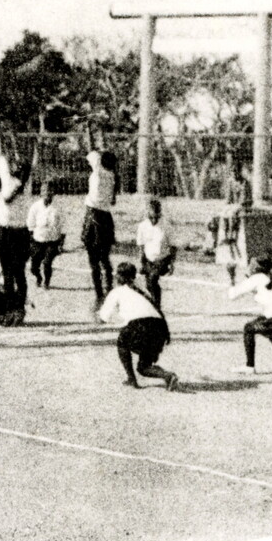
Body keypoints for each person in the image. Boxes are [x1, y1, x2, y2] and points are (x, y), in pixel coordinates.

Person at [99, 262, 179, 391]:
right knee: (144, 367)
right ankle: (168, 375)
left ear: (118, 276)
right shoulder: (142, 290)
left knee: (122, 343)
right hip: (159, 327)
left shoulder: (117, 291)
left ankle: (131, 379)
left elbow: (104, 316)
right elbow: (156, 309)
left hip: (139, 325)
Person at [80, 128, 119, 309]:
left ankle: (99, 293)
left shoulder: (98, 169)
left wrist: (88, 129)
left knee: (93, 258)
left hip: (93, 214)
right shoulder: (112, 176)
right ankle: (109, 287)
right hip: (105, 217)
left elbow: (90, 147)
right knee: (105, 257)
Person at [0, 142, 33, 307]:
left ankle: (10, 305)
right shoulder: (26, 184)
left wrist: (1, 139)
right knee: (19, 273)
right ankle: (19, 306)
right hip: (21, 232)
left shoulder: (8, 180)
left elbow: (2, 158)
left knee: (8, 271)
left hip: (6, 230)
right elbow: (24, 164)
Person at [134, 197, 176, 309]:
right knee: (148, 284)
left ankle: (157, 305)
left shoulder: (166, 226)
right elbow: (141, 245)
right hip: (148, 258)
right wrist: (140, 261)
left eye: (156, 217)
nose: (153, 220)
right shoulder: (142, 226)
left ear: (160, 213)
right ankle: (153, 301)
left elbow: (173, 246)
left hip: (162, 258)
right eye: (151, 217)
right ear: (147, 213)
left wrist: (172, 263)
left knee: (153, 278)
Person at [209, 193, 243, 288]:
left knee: (231, 213)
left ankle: (231, 233)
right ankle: (225, 235)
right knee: (226, 212)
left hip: (239, 206)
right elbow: (229, 198)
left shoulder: (244, 183)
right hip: (232, 207)